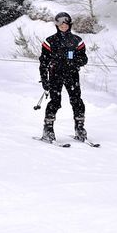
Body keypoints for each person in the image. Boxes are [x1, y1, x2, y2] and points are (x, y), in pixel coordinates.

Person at [38, 12, 89, 143]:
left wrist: (74, 62)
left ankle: (80, 128)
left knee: (76, 101)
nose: (63, 26)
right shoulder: (50, 41)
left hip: (72, 75)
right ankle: (48, 129)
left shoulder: (77, 40)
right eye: (60, 24)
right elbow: (43, 62)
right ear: (57, 25)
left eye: (66, 24)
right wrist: (44, 79)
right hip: (55, 75)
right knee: (55, 102)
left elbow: (84, 59)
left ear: (69, 24)